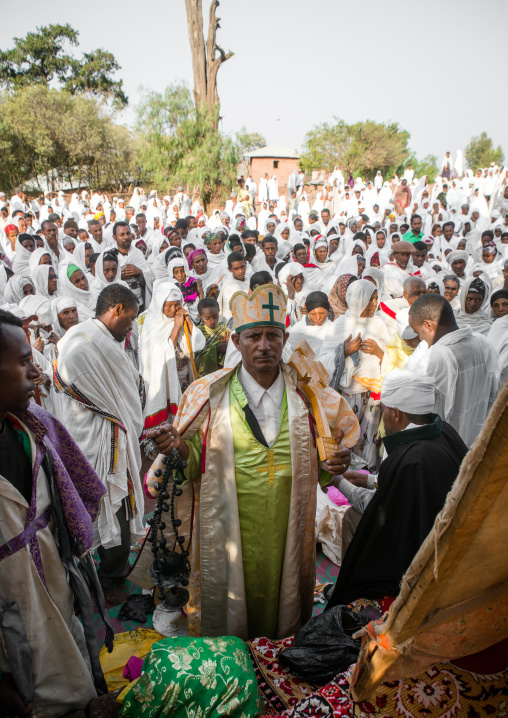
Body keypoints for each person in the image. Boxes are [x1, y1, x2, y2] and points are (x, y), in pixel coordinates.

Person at [145, 284, 361, 640]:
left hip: (288, 522)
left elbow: (325, 457)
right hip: (228, 522)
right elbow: (193, 458)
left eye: (272, 336)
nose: (264, 345)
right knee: (230, 605)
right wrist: (177, 446)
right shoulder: (208, 395)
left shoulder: (310, 394)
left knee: (286, 599)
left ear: (285, 338)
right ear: (236, 341)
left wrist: (336, 462)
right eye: (254, 336)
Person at [0, 309, 109, 716]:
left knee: (73, 670)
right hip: (11, 614)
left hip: (56, 585)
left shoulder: (36, 429)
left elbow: (79, 495)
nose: (36, 372)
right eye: (23, 361)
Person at [327, 369, 468, 607]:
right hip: (454, 545)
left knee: (354, 520)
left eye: (383, 411)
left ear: (396, 414)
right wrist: (367, 479)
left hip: (420, 561)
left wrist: (338, 481)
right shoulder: (444, 430)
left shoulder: (409, 459)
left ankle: (359, 602)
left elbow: (375, 509)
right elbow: (401, 489)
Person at [54, 285, 145, 604]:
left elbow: (126, 388)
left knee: (111, 510)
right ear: (117, 309)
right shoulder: (81, 343)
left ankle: (107, 572)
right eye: (130, 318)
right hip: (94, 441)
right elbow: (78, 388)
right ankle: (103, 581)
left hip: (113, 434)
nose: (132, 326)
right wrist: (122, 422)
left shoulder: (102, 340)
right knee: (104, 510)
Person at [408, 293, 499, 447]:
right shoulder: (482, 342)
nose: (420, 339)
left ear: (428, 325)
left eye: (418, 332)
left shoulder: (436, 356)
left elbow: (427, 415)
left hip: (448, 450)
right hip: (477, 443)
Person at [139, 283, 205, 432]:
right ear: (160, 305)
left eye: (177, 305)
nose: (174, 309)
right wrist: (176, 327)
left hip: (182, 377)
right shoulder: (152, 325)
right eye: (169, 306)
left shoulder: (181, 319)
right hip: (162, 381)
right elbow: (159, 352)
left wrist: (187, 322)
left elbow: (197, 345)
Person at [195, 297, 231, 376]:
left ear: (219, 312)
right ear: (200, 316)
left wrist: (229, 345)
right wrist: (215, 349)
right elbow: (196, 357)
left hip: (223, 372)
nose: (212, 321)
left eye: (215, 317)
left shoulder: (224, 329)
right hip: (204, 375)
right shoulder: (198, 333)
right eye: (207, 318)